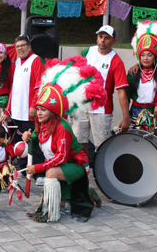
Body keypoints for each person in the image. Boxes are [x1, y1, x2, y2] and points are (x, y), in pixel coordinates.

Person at [22, 56, 107, 223]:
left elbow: (61, 157)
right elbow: (33, 141)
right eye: (38, 109)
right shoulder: (41, 125)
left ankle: (51, 212)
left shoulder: (63, 127)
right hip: (60, 166)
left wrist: (37, 167)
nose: (39, 113)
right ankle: (87, 193)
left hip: (75, 166)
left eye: (43, 110)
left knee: (50, 173)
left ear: (53, 111)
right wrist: (26, 138)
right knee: (61, 203)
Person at [72, 25, 130, 156]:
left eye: (107, 38)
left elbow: (121, 91)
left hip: (102, 109)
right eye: (100, 36)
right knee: (78, 143)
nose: (102, 40)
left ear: (114, 41)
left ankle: (102, 175)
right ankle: (82, 173)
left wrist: (126, 116)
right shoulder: (86, 52)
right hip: (82, 106)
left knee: (102, 146)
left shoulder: (116, 61)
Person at [1, 35, 46, 185]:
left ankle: (39, 172)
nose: (20, 48)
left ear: (29, 46)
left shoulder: (35, 60)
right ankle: (23, 168)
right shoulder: (16, 63)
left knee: (34, 141)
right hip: (17, 111)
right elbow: (13, 90)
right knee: (20, 142)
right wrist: (7, 111)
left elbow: (39, 85)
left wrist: (34, 105)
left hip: (30, 111)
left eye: (23, 45)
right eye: (17, 46)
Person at [127, 20, 157, 137]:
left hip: (155, 114)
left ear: (155, 57)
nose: (145, 58)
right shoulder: (133, 73)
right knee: (135, 144)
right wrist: (125, 115)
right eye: (142, 55)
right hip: (135, 114)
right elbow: (125, 96)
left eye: (149, 55)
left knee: (155, 146)